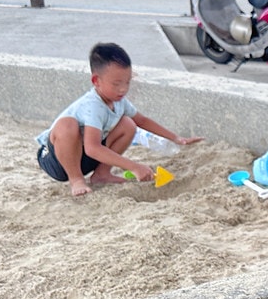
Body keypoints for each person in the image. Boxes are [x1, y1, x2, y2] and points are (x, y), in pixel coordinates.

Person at [36, 42, 203, 196]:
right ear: (96, 81)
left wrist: (176, 138)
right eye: (116, 84)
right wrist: (134, 167)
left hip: (84, 158)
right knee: (67, 124)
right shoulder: (93, 105)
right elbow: (92, 148)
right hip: (57, 160)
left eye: (127, 82)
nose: (123, 89)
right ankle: (76, 180)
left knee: (128, 123)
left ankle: (101, 174)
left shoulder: (119, 102)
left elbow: (142, 121)